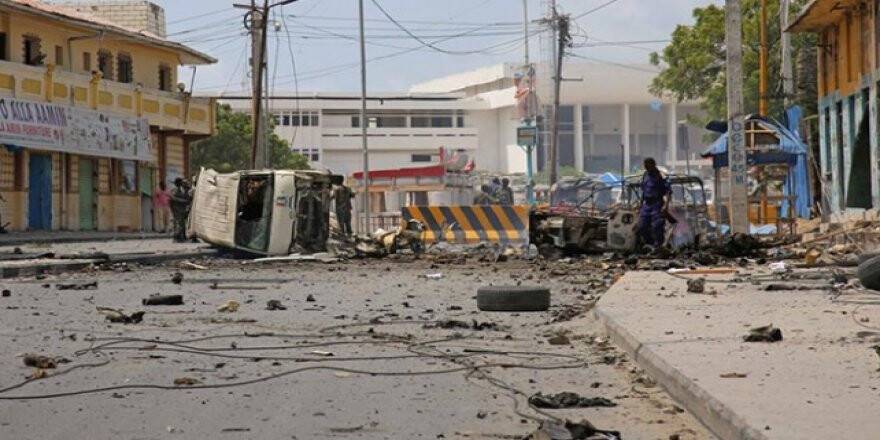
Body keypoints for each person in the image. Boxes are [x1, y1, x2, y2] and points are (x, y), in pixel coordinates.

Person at [638, 157, 671, 249]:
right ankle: (650, 244)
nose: (646, 167)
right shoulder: (645, 175)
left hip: (657, 203)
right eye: (645, 165)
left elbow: (668, 191)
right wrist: (641, 204)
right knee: (642, 226)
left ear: (653, 165)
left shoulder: (661, 175)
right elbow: (644, 191)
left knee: (657, 226)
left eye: (647, 165)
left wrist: (666, 206)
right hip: (647, 204)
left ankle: (658, 247)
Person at [169, 178, 193, 242]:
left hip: (182, 209)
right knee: (178, 224)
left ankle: (182, 237)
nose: (182, 183)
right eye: (181, 182)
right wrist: (183, 201)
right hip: (177, 210)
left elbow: (187, 198)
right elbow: (173, 198)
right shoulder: (175, 190)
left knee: (182, 224)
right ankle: (177, 238)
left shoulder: (183, 190)